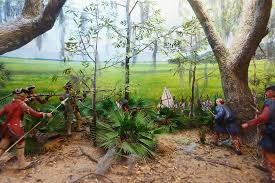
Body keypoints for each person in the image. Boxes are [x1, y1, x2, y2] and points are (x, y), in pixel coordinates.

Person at [0, 88, 52, 170]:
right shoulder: (22, 105)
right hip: (16, 128)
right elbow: (35, 114)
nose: (26, 95)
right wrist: (45, 115)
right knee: (21, 144)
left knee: (3, 146)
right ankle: (22, 164)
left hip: (7, 127)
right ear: (21, 95)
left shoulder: (8, 106)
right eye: (24, 94)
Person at [242, 85, 275, 181]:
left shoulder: (270, 102)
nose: (266, 93)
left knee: (270, 152)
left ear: (273, 92)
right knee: (267, 150)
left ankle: (273, 177)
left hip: (272, 131)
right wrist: (260, 114)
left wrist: (249, 123)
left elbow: (264, 117)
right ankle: (265, 165)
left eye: (268, 91)